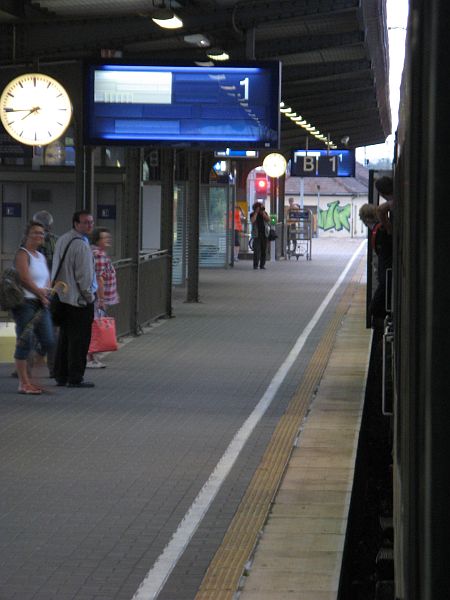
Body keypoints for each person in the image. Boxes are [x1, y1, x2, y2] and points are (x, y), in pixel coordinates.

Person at [51, 210, 96, 388]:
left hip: (62, 297)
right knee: (79, 340)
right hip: (78, 300)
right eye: (85, 222)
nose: (89, 225)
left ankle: (61, 375)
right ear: (76, 224)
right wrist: (89, 297)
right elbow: (84, 276)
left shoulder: (63, 239)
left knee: (65, 338)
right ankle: (75, 377)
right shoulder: (82, 246)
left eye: (91, 222)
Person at [11, 221, 54, 395]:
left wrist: (47, 292)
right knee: (24, 341)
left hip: (40, 303)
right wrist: (41, 294)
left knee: (48, 339)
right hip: (25, 303)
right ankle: (24, 382)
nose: (39, 236)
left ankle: (32, 376)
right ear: (27, 235)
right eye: (35, 233)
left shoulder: (41, 256)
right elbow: (24, 279)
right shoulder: (23, 254)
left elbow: (47, 278)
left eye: (42, 233)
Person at [86, 227, 119, 368]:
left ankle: (92, 356)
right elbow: (99, 278)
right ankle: (91, 357)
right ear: (98, 240)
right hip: (97, 298)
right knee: (95, 326)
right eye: (105, 238)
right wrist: (101, 299)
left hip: (98, 297)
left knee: (94, 325)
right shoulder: (98, 255)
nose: (108, 240)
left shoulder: (97, 252)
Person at [32, 210, 58, 377]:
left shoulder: (27, 242)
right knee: (52, 329)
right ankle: (53, 367)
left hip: (32, 291)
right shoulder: (57, 241)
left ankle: (27, 365)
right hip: (51, 291)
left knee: (29, 328)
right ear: (50, 225)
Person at [359, 203, 393, 323]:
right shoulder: (380, 229)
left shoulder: (380, 230)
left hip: (386, 278)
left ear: (366, 219)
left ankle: (379, 337)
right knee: (376, 308)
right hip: (386, 277)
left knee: (375, 308)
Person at [250, 201, 270, 269]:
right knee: (256, 250)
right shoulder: (252, 214)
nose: (260, 209)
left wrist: (263, 212)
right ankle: (255, 265)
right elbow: (252, 221)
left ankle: (262, 265)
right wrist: (256, 212)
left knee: (264, 250)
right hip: (256, 234)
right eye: (258, 208)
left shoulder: (264, 213)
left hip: (264, 234)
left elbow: (268, 219)